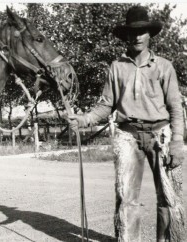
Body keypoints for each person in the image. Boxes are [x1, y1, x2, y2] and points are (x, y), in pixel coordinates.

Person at [68, 6, 185, 242]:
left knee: (168, 197)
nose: (137, 36)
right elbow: (105, 106)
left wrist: (177, 141)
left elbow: (175, 108)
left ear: (149, 34)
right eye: (132, 32)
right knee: (126, 197)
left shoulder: (164, 67)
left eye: (142, 31)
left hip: (160, 136)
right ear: (126, 36)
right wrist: (82, 120)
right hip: (127, 137)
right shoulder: (116, 67)